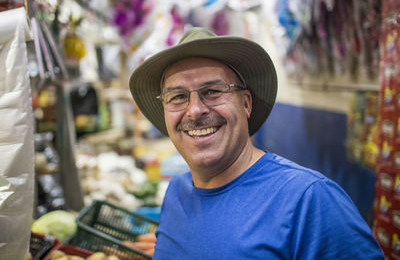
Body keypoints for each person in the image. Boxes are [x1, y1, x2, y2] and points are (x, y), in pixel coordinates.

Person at [129, 27, 383, 259]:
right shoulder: (177, 192)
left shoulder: (309, 200)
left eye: (213, 91)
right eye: (177, 97)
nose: (195, 111)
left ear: (246, 103)